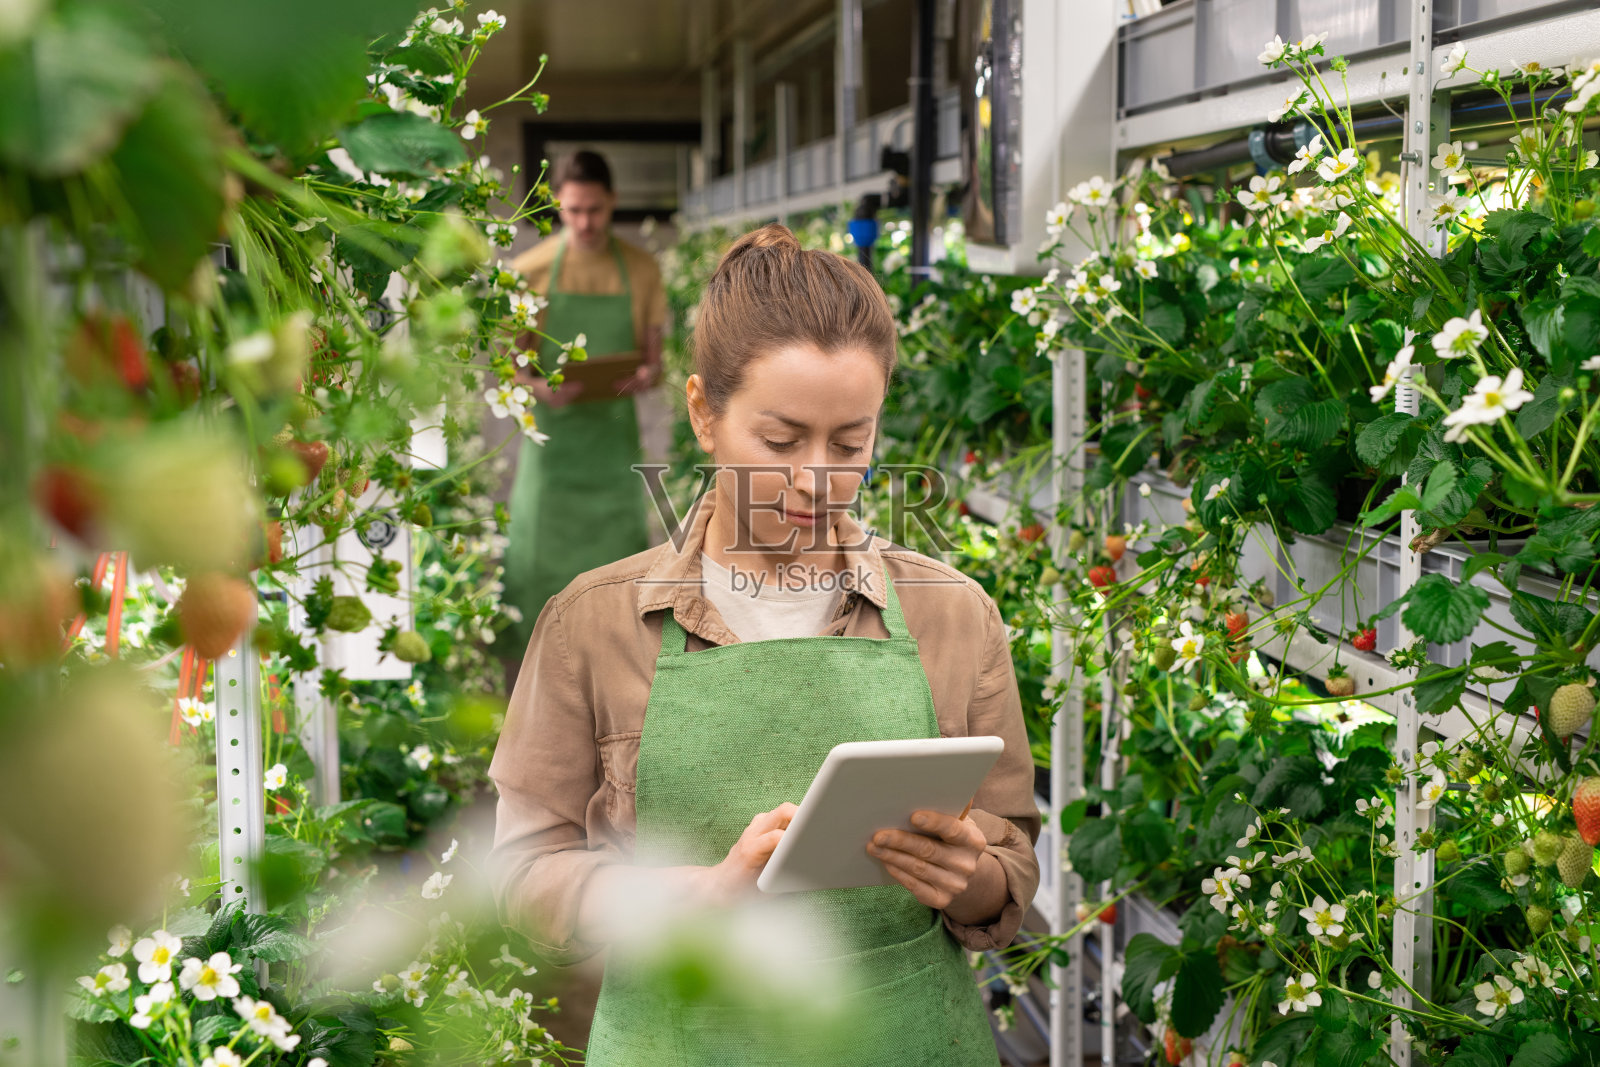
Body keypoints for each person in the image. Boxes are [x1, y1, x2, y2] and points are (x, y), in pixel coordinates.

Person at [487, 223, 1039, 1065]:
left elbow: (1011, 847)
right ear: (704, 412)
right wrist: (693, 894)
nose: (819, 477)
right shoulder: (594, 624)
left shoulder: (953, 617)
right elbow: (525, 879)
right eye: (781, 441)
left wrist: (978, 878)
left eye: (851, 444)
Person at [502, 149, 667, 651]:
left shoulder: (641, 269)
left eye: (594, 209)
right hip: (552, 451)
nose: (585, 221)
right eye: (573, 210)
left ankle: (618, 660)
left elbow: (655, 365)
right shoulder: (528, 269)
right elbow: (509, 372)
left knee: (616, 567)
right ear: (557, 205)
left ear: (612, 202)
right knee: (539, 563)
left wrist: (642, 375)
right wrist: (540, 388)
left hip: (613, 451)